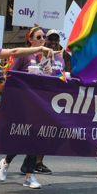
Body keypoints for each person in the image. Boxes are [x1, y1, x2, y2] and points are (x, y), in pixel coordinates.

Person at [0, 26, 58, 189]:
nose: (42, 39)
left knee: (35, 139)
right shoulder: (24, 55)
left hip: (38, 104)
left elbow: (49, 81)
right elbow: (10, 76)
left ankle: (29, 177)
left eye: (43, 37)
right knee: (21, 137)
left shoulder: (46, 56)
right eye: (39, 37)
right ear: (30, 39)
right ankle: (5, 162)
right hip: (22, 103)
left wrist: (49, 73)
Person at [30, 29, 66, 175]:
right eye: (50, 39)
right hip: (37, 98)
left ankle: (38, 162)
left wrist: (60, 77)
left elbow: (61, 77)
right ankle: (9, 161)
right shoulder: (39, 55)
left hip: (53, 100)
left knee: (47, 132)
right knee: (32, 133)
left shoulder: (61, 59)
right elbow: (33, 71)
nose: (53, 42)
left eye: (56, 39)